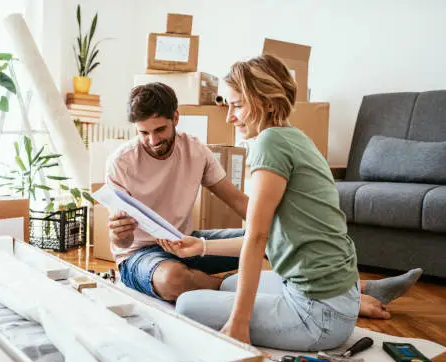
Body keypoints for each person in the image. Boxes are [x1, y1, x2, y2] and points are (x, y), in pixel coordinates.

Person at [105, 81, 422, 332]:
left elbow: (241, 203)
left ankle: (352, 287)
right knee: (174, 280)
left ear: (175, 119)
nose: (151, 140)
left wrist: (282, 227)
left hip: (183, 240)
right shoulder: (122, 162)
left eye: (159, 130)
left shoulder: (195, 150)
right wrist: (120, 235)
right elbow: (119, 243)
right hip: (140, 255)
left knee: (272, 239)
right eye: (143, 133)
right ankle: (326, 301)